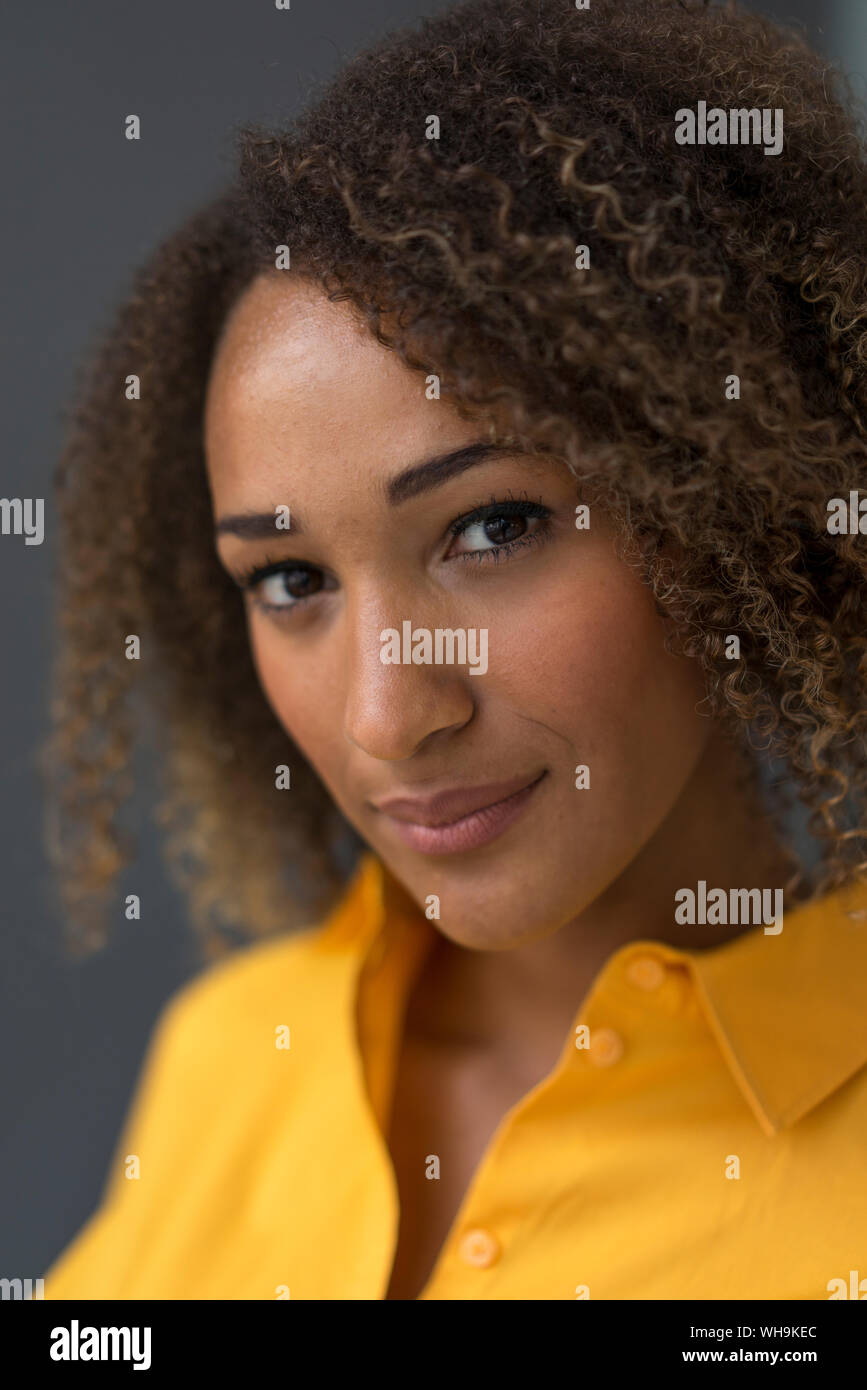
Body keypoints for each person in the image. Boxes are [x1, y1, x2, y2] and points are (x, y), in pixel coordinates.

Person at [43, 0, 867, 1300]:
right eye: (292, 578)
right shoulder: (232, 1055)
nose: (385, 713)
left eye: (494, 527)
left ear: (722, 501)